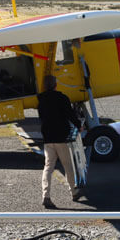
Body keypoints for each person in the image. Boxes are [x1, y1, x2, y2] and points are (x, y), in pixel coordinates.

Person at [37, 74, 83, 208]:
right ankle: (73, 192)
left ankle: (46, 195)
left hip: (47, 138)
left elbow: (42, 118)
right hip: (61, 138)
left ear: (44, 86)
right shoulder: (62, 98)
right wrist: (79, 125)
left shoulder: (41, 100)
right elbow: (70, 114)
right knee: (68, 165)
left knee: (48, 167)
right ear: (56, 84)